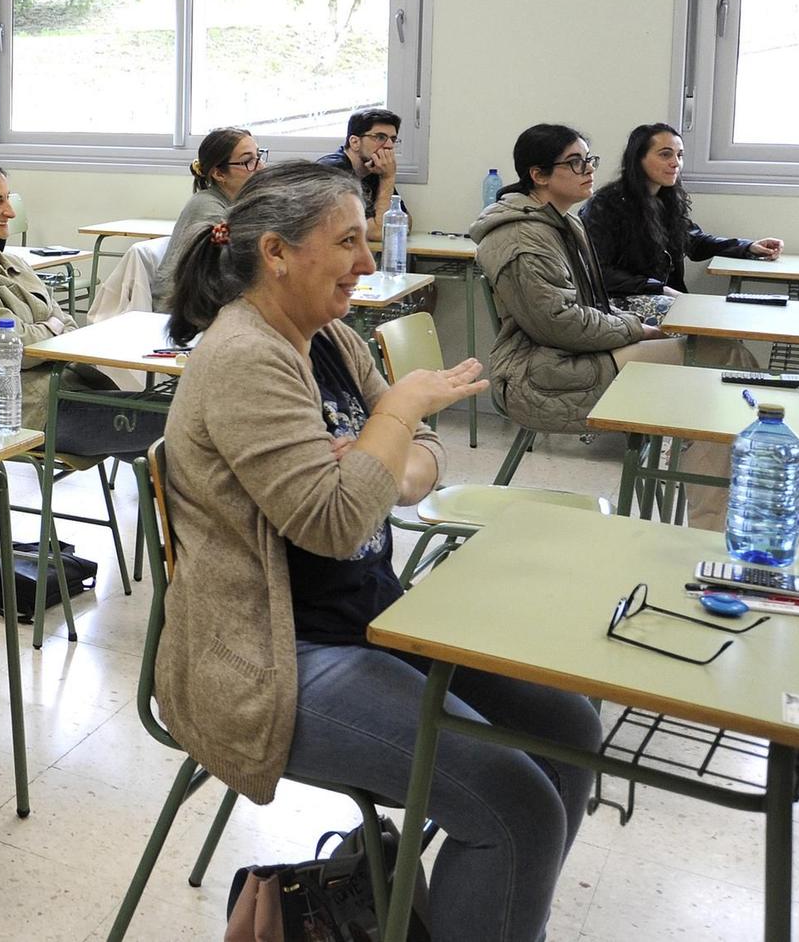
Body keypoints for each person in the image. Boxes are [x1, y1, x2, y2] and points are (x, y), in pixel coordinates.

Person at [158, 159, 599, 942]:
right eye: (349, 242)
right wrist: (391, 416)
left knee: (565, 727)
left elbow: (423, 458)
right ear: (277, 252)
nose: (368, 262)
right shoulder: (242, 358)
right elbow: (331, 521)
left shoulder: (327, 334)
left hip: (368, 618)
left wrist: (382, 455)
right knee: (515, 806)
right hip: (273, 660)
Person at [471, 124, 743, 528]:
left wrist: (630, 326)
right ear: (539, 175)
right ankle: (710, 529)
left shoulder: (562, 222)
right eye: (574, 162)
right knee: (716, 360)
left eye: (589, 160)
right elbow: (559, 325)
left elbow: (589, 307)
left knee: (723, 360)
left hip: (575, 355)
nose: (588, 170)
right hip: (544, 374)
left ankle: (710, 518)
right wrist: (635, 328)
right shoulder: (523, 239)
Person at [0, 158, 163, 454]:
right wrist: (52, 325)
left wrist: (48, 326)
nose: (10, 212)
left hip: (74, 389)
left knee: (187, 418)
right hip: (35, 413)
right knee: (182, 424)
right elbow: (13, 349)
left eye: (8, 199)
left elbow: (69, 325)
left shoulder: (14, 263)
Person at [580, 122, 783, 322]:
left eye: (680, 155)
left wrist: (747, 246)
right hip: (618, 302)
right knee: (709, 322)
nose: (676, 163)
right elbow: (598, 271)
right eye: (665, 154)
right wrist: (657, 287)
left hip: (662, 295)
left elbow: (694, 242)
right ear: (638, 159)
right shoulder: (605, 205)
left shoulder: (666, 200)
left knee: (724, 319)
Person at [158, 127, 263, 314]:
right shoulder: (209, 209)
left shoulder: (238, 204)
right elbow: (229, 269)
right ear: (219, 174)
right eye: (248, 161)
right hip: (186, 314)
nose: (261, 167)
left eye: (259, 156)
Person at [315, 107, 408, 234]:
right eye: (380, 137)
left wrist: (385, 178)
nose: (389, 146)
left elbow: (405, 222)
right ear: (354, 142)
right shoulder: (333, 171)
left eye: (393, 139)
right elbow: (379, 232)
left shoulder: (373, 169)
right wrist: (388, 178)